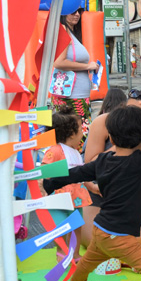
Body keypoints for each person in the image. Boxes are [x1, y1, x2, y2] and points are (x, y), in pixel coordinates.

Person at [43, 100, 141, 281]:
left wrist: (50, 182)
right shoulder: (139, 161)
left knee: (89, 260)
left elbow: (76, 173)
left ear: (110, 137)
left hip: (101, 230)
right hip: (118, 236)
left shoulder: (103, 160)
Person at [82, 89, 141, 248]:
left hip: (127, 195)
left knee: (138, 239)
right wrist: (122, 143)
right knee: (92, 241)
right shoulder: (103, 122)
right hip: (96, 189)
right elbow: (90, 164)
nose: (131, 117)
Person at [40, 106, 89, 254]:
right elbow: (44, 170)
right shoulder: (55, 150)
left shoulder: (74, 151)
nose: (83, 131)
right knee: (60, 227)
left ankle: (74, 255)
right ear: (71, 134)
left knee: (76, 226)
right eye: (81, 128)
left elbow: (81, 174)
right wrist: (42, 190)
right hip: (60, 197)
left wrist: (92, 188)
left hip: (76, 197)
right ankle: (61, 254)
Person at [53, 8, 99, 142]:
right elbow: (59, 62)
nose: (77, 14)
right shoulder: (63, 30)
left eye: (79, 11)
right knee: (77, 138)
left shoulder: (72, 33)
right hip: (71, 97)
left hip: (77, 96)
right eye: (73, 11)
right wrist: (87, 66)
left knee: (77, 137)